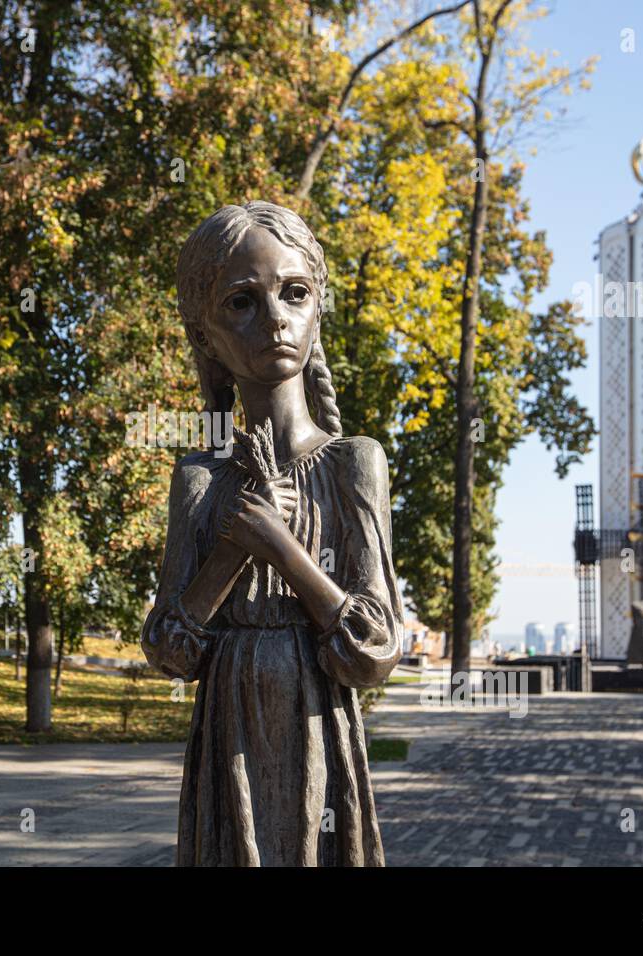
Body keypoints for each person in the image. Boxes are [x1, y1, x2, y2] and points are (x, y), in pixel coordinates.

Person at [141, 201, 404, 866]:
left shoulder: (353, 464)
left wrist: (282, 548)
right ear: (205, 336)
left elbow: (374, 649)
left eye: (294, 293)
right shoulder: (200, 480)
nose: (275, 319)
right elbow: (172, 650)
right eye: (241, 302)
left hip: (317, 726)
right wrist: (232, 549)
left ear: (317, 311)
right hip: (227, 734)